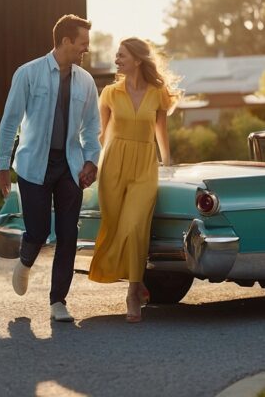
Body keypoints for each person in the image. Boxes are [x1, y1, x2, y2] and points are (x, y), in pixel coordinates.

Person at [0, 14, 101, 322]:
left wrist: (91, 161)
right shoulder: (28, 74)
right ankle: (26, 261)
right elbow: (10, 122)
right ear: (66, 41)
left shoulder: (86, 81)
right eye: (82, 44)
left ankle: (58, 302)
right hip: (33, 164)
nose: (86, 50)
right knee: (39, 231)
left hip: (70, 165)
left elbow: (92, 127)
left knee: (68, 234)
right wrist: (3, 166)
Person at [88, 37, 180, 323]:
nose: (116, 59)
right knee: (115, 225)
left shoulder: (158, 93)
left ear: (138, 60)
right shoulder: (110, 94)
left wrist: (167, 163)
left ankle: (131, 294)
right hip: (113, 163)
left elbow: (161, 131)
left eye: (122, 55)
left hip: (144, 165)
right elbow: (101, 135)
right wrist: (89, 163)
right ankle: (138, 283)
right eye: (117, 55)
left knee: (135, 226)